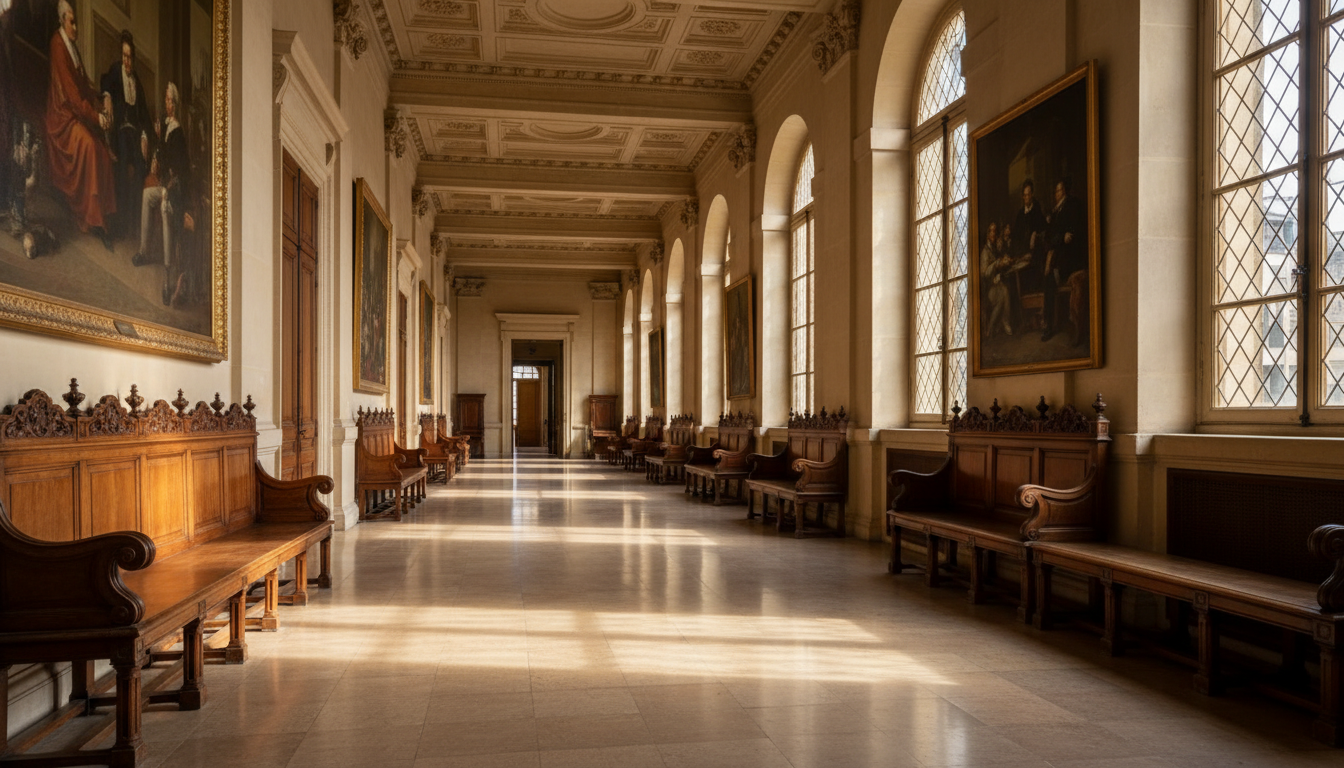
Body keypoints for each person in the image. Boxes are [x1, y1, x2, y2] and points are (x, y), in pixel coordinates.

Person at [44, 0, 116, 245]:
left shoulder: (72, 46)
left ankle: (105, 215)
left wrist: (100, 98)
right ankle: (92, 219)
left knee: (104, 155)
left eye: (75, 22)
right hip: (62, 117)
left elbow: (84, 86)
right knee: (89, 146)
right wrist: (96, 117)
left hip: (75, 113)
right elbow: (73, 97)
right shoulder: (58, 44)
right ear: (63, 21)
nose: (75, 26)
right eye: (71, 22)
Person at [133, 82, 192, 306]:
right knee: (148, 195)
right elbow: (163, 158)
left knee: (166, 207)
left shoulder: (177, 132)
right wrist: (157, 138)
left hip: (176, 192)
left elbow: (180, 169)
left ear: (176, 104)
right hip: (165, 186)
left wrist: (169, 190)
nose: (168, 104)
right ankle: (143, 250)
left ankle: (167, 275)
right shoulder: (166, 127)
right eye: (166, 100)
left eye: (171, 101)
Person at [100, 29, 151, 241]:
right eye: (124, 56)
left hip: (135, 135)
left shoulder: (136, 82)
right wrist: (108, 96)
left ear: (134, 58)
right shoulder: (115, 70)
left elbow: (145, 116)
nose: (127, 61)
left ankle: (135, 222)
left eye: (129, 57)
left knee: (140, 167)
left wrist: (145, 137)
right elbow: (105, 83)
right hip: (120, 132)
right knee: (121, 168)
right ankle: (119, 223)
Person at [1043, 177, 1086, 343]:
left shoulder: (1070, 207)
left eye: (1059, 190)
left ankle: (1056, 325)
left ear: (1065, 191)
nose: (1057, 194)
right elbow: (1049, 239)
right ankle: (1048, 325)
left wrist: (1060, 238)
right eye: (1056, 191)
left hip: (1070, 260)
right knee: (1048, 280)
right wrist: (1061, 237)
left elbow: (1074, 234)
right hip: (1059, 260)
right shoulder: (1054, 213)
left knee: (1053, 277)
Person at [980, 222, 1012, 338]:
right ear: (988, 234)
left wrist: (1002, 263)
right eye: (991, 231)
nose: (994, 234)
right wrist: (996, 264)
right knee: (1002, 295)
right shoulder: (985, 252)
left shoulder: (993, 249)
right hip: (987, 288)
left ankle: (1002, 323)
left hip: (995, 285)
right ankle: (995, 326)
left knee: (1005, 291)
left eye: (995, 231)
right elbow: (985, 273)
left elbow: (996, 266)